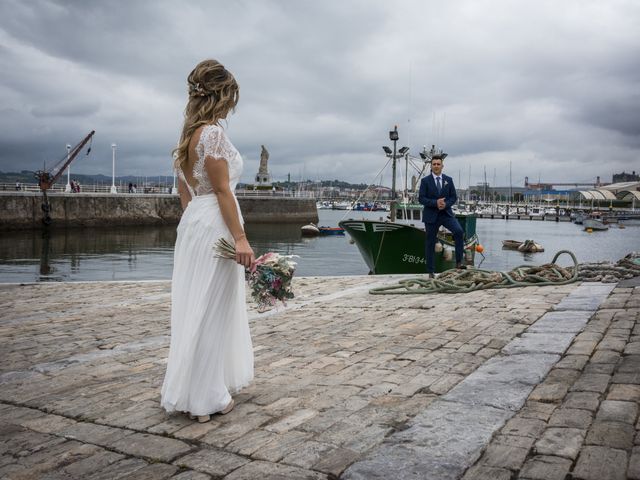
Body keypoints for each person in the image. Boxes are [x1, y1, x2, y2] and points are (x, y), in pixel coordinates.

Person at [160, 59, 255, 423]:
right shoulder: (212, 135)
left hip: (193, 224)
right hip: (215, 223)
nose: (233, 105)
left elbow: (186, 196)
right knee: (212, 308)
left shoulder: (186, 140)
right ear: (221, 95)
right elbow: (221, 191)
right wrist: (241, 238)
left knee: (196, 305)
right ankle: (206, 398)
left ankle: (194, 389)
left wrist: (192, 228)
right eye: (231, 96)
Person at [418, 156, 465, 278]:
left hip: (446, 214)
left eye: (438, 164)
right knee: (430, 242)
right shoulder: (425, 181)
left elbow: (453, 197)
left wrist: (445, 204)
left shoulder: (448, 180)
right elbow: (421, 198)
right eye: (434, 164)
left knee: (459, 231)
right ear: (431, 166)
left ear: (442, 166)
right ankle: (430, 271)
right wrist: (435, 203)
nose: (436, 166)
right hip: (431, 215)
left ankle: (459, 263)